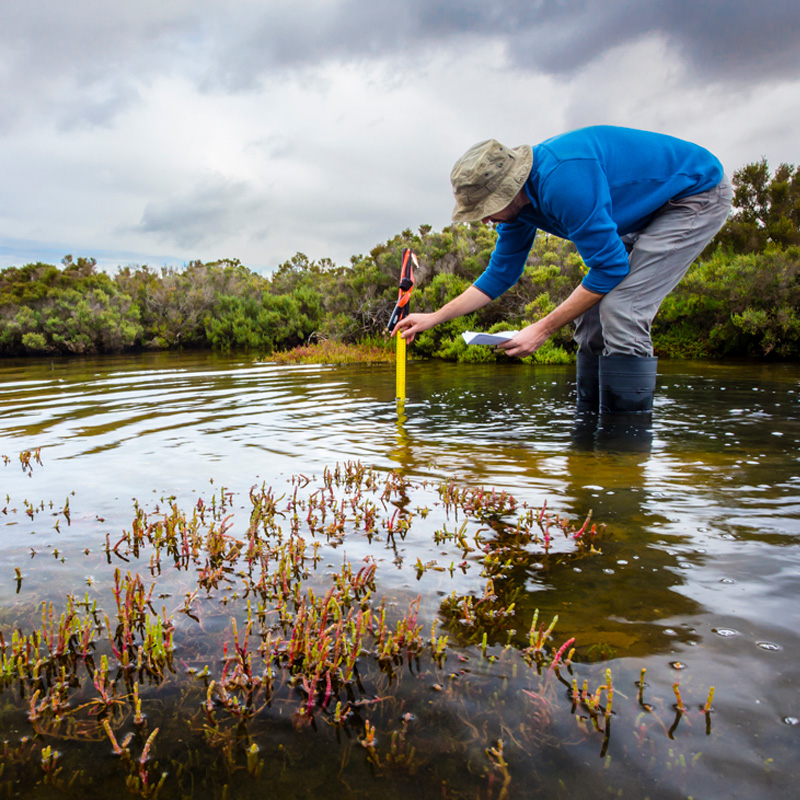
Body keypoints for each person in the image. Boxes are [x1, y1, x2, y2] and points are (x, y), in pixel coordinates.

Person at [392, 126, 732, 414]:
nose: (485, 218)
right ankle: (589, 433)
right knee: (592, 314)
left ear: (512, 188)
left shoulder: (564, 181)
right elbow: (501, 273)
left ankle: (624, 448)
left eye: (489, 207)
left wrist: (541, 329)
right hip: (644, 210)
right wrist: (435, 317)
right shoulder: (518, 209)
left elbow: (610, 269)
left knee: (621, 308)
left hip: (693, 196)